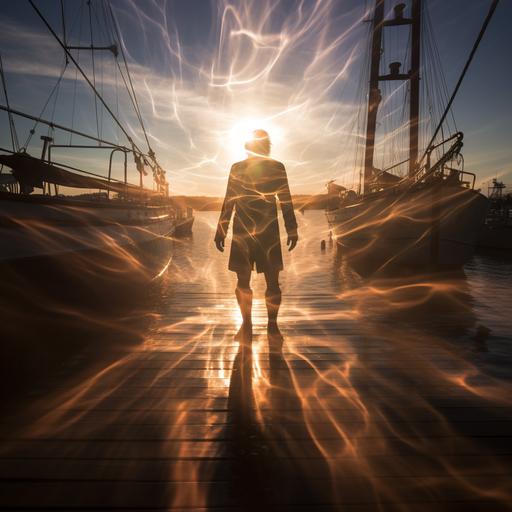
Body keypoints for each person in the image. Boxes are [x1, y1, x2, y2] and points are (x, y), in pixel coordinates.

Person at [214, 129, 298, 339]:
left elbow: (285, 200)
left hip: (252, 232)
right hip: (260, 232)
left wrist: (292, 228)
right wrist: (221, 230)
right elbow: (230, 201)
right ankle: (256, 326)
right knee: (262, 282)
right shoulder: (263, 167)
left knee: (255, 282)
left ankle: (261, 326)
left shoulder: (268, 167)